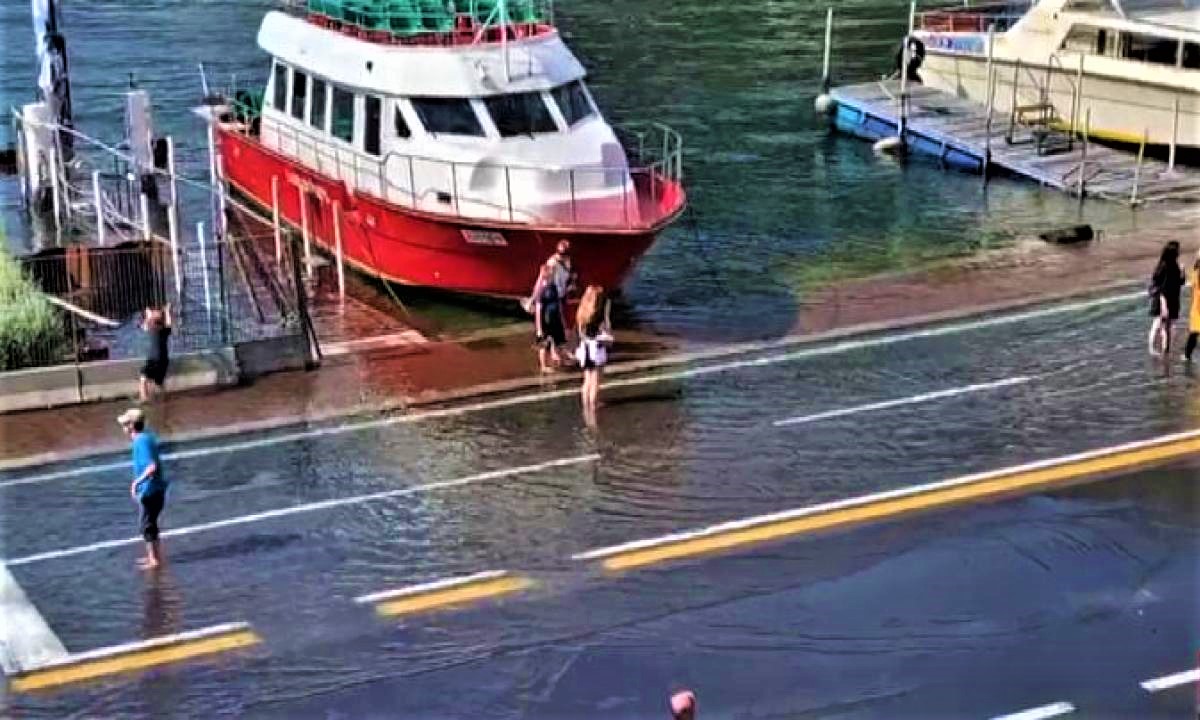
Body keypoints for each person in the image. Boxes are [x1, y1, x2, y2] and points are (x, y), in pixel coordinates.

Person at [119, 408, 169, 570]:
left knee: (146, 525)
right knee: (151, 523)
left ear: (131, 426)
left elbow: (151, 467)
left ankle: (154, 560)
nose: (123, 428)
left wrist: (136, 483)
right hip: (156, 489)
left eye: (125, 424)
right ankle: (154, 556)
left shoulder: (140, 442)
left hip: (150, 490)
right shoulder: (147, 437)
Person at [575, 285, 612, 412]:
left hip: (584, 347)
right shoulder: (598, 315)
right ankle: (594, 403)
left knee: (587, 379)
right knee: (596, 379)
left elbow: (580, 333)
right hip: (596, 348)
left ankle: (586, 404)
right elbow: (606, 329)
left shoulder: (582, 313)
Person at [1148, 241, 1183, 357]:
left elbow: (1179, 283)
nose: (1179, 252)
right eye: (1177, 250)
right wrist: (1163, 304)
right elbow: (1161, 287)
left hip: (1172, 299)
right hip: (1162, 300)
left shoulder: (1174, 265)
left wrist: (1182, 273)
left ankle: (1164, 352)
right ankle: (1154, 350)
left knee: (1166, 326)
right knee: (1159, 324)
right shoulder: (1165, 267)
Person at [139, 303, 172, 402]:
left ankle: (147, 399)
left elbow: (168, 323)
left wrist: (149, 315)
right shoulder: (156, 329)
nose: (154, 313)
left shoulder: (160, 329)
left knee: (149, 379)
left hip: (157, 359)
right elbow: (145, 325)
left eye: (156, 313)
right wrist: (165, 312)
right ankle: (147, 398)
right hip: (158, 359)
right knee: (150, 380)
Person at [1186, 252, 1200, 362]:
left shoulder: (1194, 273)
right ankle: (1187, 356)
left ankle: (1187, 356)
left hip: (1196, 308)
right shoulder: (1195, 274)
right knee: (1194, 333)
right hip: (1197, 309)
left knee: (1194, 334)